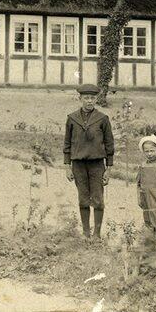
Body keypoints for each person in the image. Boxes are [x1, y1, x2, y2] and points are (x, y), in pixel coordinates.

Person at [63, 84, 114, 239]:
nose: (89, 101)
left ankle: (97, 235)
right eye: (86, 98)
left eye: (92, 98)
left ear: (96, 99)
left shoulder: (102, 119)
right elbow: (67, 144)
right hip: (78, 165)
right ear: (80, 99)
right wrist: (67, 166)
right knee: (83, 199)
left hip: (97, 165)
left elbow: (109, 144)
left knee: (98, 199)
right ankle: (86, 233)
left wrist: (108, 169)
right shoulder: (72, 118)